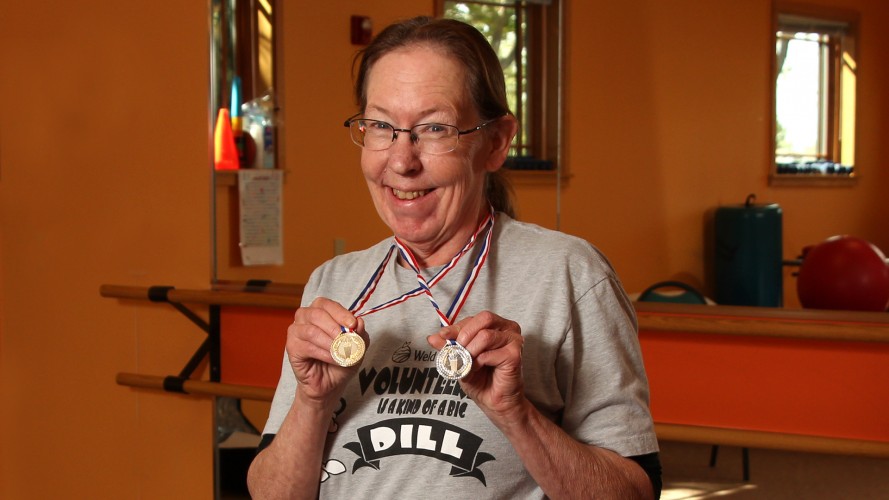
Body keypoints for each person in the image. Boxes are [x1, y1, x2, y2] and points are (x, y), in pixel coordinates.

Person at [247, 16, 661, 499]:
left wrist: (516, 414)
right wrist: (314, 402)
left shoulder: (568, 275)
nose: (401, 161)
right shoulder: (334, 282)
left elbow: (634, 493)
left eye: (434, 128)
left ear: (496, 142)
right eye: (380, 126)